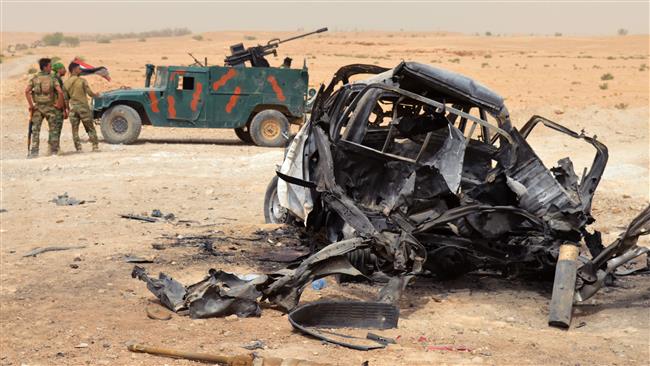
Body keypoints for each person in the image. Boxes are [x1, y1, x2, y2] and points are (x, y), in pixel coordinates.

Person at [24, 58, 65, 158]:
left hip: (38, 108)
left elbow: (26, 91)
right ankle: (54, 151)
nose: (51, 68)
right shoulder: (53, 78)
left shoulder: (35, 78)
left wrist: (31, 106)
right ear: (45, 67)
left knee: (35, 130)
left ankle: (34, 152)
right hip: (51, 108)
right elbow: (60, 92)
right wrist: (59, 104)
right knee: (53, 129)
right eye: (50, 66)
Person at [63, 62, 100, 152]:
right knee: (90, 127)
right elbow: (90, 93)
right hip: (83, 107)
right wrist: (96, 95)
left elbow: (66, 99)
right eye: (79, 69)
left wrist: (67, 109)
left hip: (73, 109)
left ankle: (78, 148)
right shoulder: (82, 81)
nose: (80, 70)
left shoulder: (66, 83)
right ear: (74, 70)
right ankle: (95, 146)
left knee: (74, 129)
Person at [50, 62, 68, 154]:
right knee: (57, 128)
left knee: (53, 128)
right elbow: (62, 95)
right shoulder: (58, 80)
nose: (65, 70)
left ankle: (52, 148)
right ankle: (55, 150)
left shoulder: (51, 78)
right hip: (57, 108)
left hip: (50, 107)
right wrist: (65, 109)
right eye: (63, 68)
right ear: (59, 70)